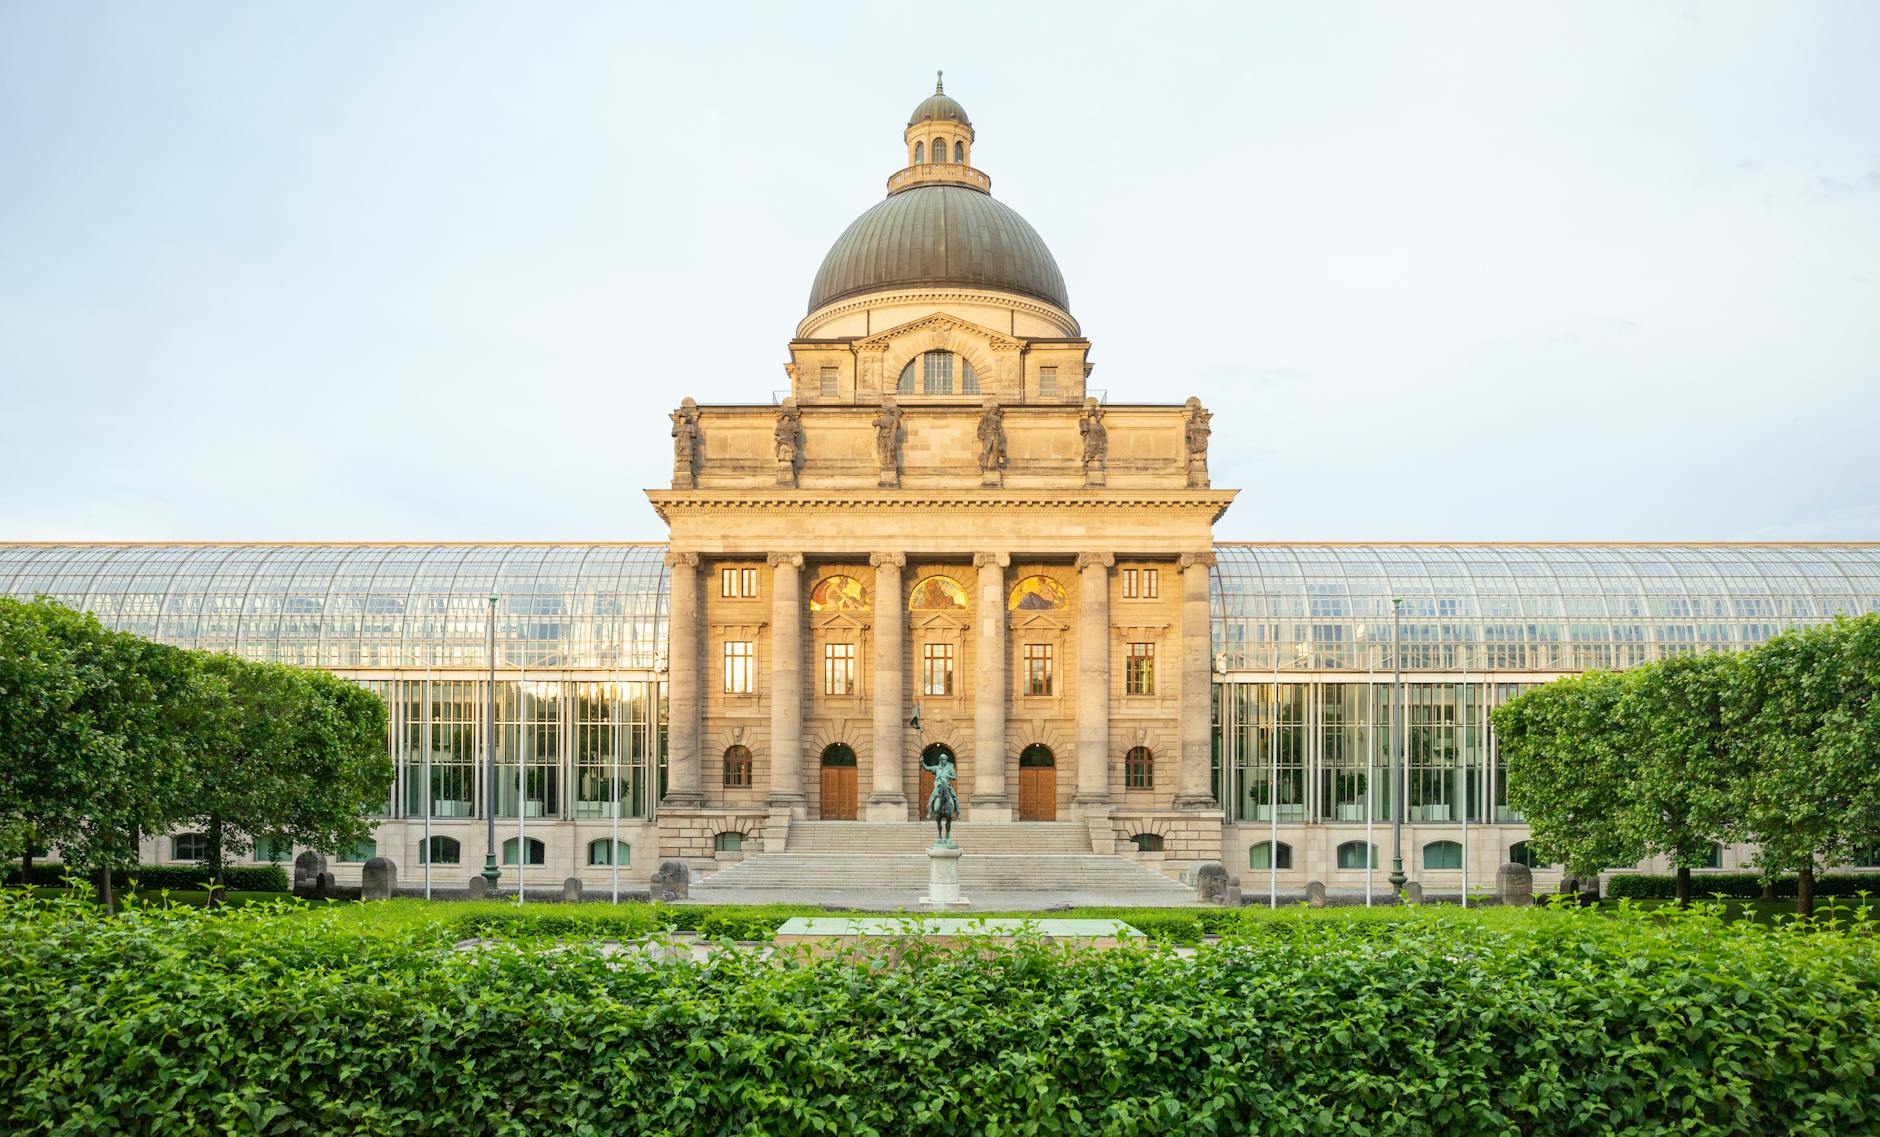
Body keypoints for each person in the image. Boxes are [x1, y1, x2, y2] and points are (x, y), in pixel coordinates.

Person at [921, 750, 958, 844]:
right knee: (933, 797)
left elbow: (954, 777)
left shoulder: (950, 768)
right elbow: (926, 768)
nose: (944, 761)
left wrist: (949, 775)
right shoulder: (936, 768)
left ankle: (958, 812)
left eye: (946, 759)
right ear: (940, 760)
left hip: (948, 786)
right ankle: (929, 811)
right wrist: (922, 762)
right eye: (943, 759)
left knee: (954, 797)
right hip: (938, 786)